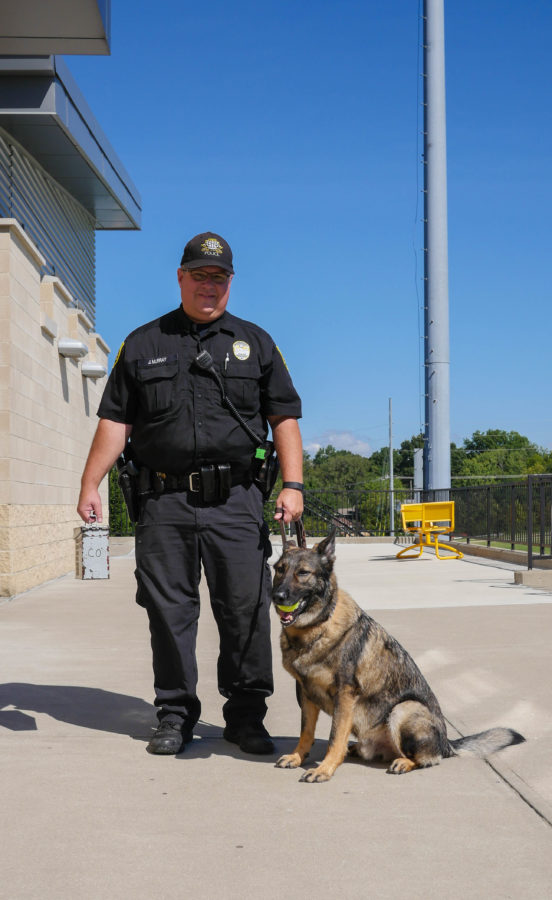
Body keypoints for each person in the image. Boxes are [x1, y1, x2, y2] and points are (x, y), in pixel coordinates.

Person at [77, 232, 303, 756]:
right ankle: (174, 714)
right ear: (181, 278)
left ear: (230, 283)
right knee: (168, 611)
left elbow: (284, 418)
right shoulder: (143, 344)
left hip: (238, 500)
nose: (209, 286)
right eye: (199, 276)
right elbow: (116, 421)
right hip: (163, 502)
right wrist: (91, 482)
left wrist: (292, 484)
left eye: (218, 278)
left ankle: (246, 717)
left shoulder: (257, 342)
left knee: (244, 608)